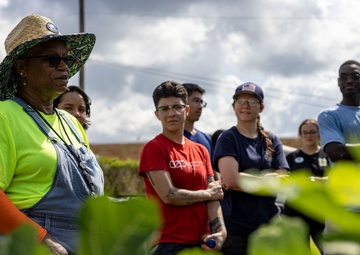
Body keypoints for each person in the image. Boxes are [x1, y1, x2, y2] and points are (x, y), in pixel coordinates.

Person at [0, 14, 104, 255]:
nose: (64, 67)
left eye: (66, 59)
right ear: (22, 67)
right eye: (51, 59)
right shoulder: (5, 116)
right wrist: (41, 239)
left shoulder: (70, 122)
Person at [138, 81, 227, 255]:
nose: (171, 113)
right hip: (168, 244)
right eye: (164, 109)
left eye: (177, 107)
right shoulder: (154, 148)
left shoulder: (201, 150)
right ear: (157, 114)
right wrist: (207, 194)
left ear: (186, 111)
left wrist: (221, 231)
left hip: (202, 243)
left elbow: (214, 196)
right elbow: (170, 196)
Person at [213, 82, 289, 255]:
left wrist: (245, 179)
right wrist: (268, 180)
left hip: (270, 230)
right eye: (240, 101)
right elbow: (231, 181)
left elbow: (283, 180)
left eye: (252, 101)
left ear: (261, 107)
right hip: (237, 232)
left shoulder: (272, 140)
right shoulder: (227, 138)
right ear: (233, 106)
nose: (245, 105)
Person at [283, 119, 329, 254]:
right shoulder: (291, 157)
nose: (309, 136)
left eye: (312, 132)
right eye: (305, 133)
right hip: (296, 213)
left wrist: (317, 180)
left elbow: (336, 179)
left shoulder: (326, 156)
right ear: (300, 135)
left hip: (319, 212)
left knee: (326, 250)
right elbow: (284, 180)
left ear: (319, 134)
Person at [318, 60, 360, 163]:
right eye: (343, 77)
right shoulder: (328, 115)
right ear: (338, 82)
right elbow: (336, 152)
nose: (349, 81)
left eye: (355, 77)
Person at [182, 83, 213, 159]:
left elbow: (211, 170)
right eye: (196, 101)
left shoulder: (206, 138)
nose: (200, 106)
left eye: (201, 102)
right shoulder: (172, 138)